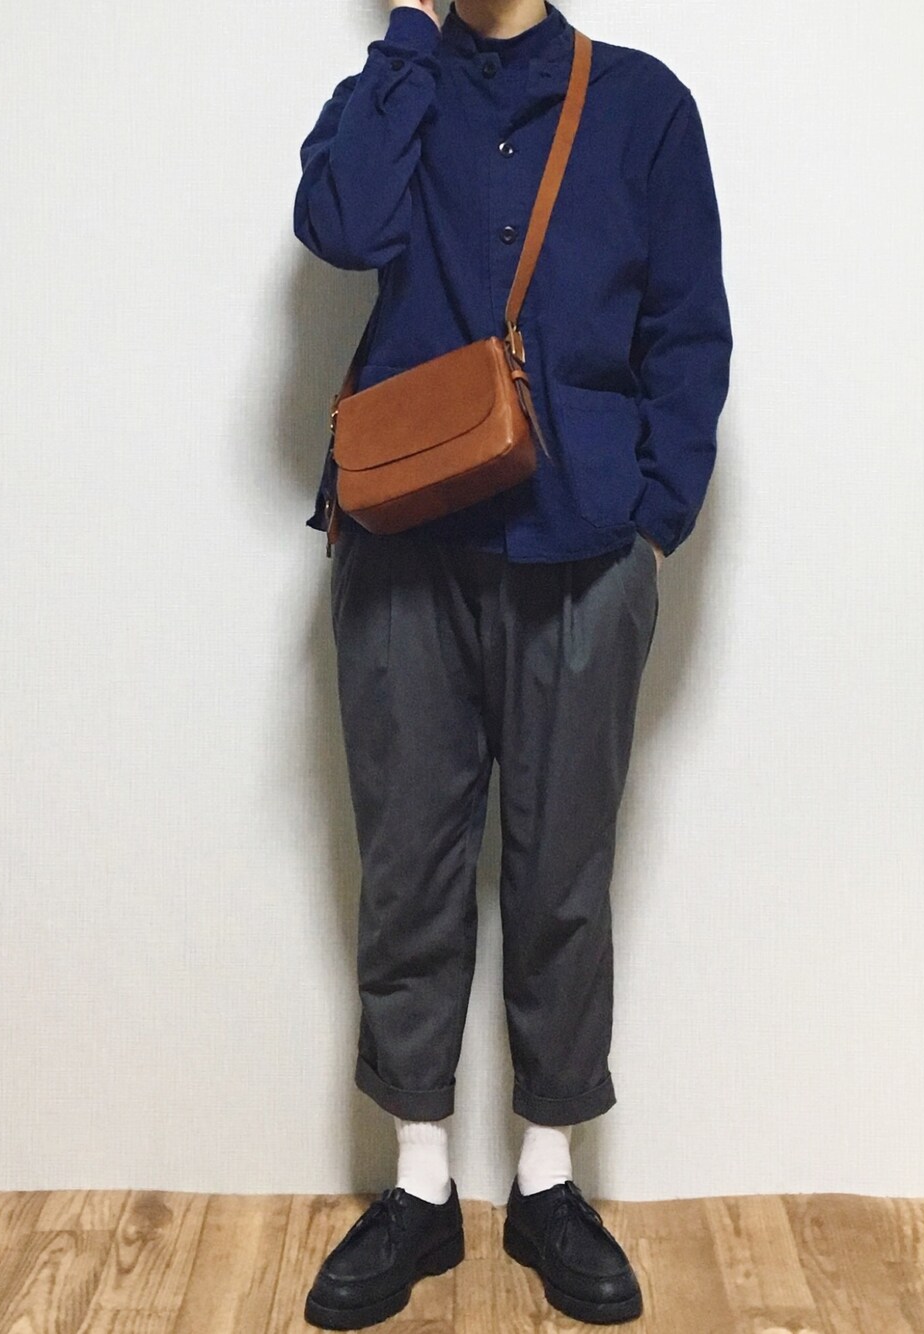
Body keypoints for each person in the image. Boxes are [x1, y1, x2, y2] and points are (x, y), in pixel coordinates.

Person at [294, 0, 732, 1326]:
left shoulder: (642, 105)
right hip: (403, 546)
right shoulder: (395, 88)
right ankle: (419, 1183)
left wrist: (652, 522)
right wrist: (408, 38)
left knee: (564, 870)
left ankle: (548, 1177)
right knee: (408, 866)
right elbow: (339, 224)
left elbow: (688, 331)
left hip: (584, 551)